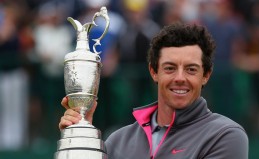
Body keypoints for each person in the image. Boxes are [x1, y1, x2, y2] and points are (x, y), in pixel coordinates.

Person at [59, 22, 249, 159]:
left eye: (191, 69)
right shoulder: (117, 141)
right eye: (170, 68)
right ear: (153, 72)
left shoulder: (226, 135)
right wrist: (82, 141)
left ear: (206, 75)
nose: (180, 78)